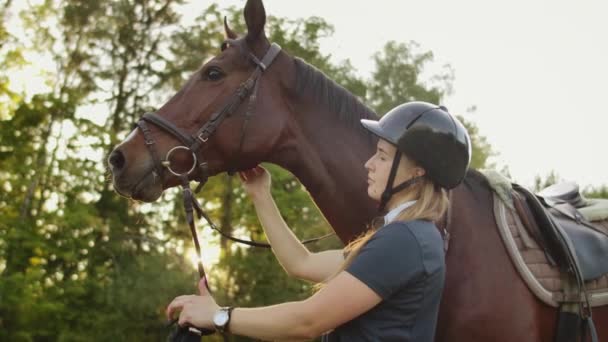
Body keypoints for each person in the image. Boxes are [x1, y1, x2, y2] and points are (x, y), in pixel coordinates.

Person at [166, 101, 471, 341]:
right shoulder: (407, 236)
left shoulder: (405, 241)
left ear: (418, 170)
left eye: (381, 155)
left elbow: (306, 322)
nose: (369, 164)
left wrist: (219, 316)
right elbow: (301, 263)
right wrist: (261, 195)